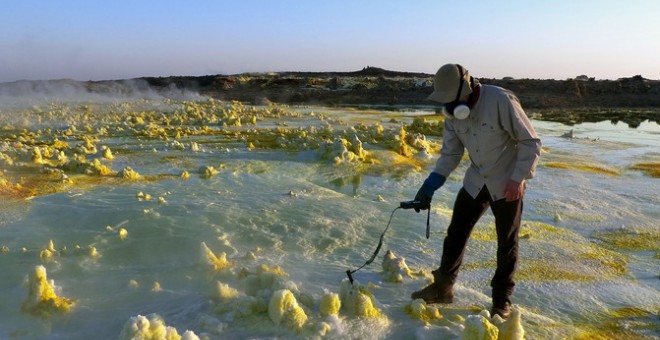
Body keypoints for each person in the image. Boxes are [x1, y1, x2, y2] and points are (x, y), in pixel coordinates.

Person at [410, 63, 542, 319]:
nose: (448, 106)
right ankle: (443, 287)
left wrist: (518, 178)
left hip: (507, 182)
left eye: (452, 100)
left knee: (507, 243)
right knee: (456, 232)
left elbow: (531, 142)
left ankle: (501, 302)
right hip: (476, 179)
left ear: (467, 88)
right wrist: (432, 182)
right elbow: (451, 153)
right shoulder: (452, 112)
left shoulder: (500, 100)